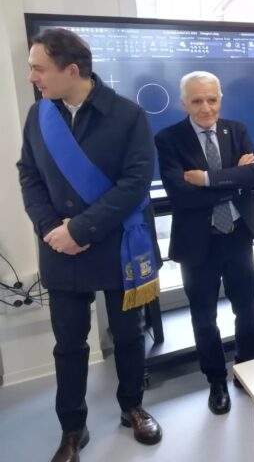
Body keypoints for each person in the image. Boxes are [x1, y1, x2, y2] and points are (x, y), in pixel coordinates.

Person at [17, 29, 163, 461]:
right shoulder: (39, 115)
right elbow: (29, 174)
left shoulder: (129, 115)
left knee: (129, 334)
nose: (32, 77)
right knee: (68, 343)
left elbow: (135, 184)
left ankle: (132, 407)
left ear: (71, 70)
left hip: (117, 244)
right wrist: (52, 229)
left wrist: (79, 229)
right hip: (60, 248)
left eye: (39, 68)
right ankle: (72, 429)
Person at [155, 71, 254, 416]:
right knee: (204, 318)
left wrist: (205, 179)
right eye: (197, 100)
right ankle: (216, 380)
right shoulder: (169, 139)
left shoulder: (236, 130)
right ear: (183, 103)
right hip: (197, 244)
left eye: (212, 99)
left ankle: (248, 370)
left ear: (220, 99)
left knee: (248, 310)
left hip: (238, 237)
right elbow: (180, 195)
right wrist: (234, 180)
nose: (206, 108)